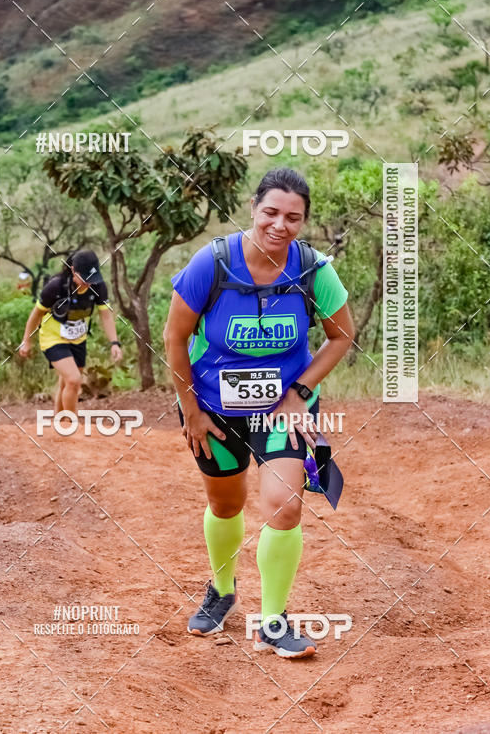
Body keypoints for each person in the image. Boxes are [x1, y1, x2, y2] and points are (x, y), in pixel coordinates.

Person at [163, 168, 354, 659]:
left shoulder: (313, 270)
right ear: (253, 208)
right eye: (270, 212)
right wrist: (191, 411)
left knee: (285, 506)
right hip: (213, 411)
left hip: (282, 411)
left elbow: (341, 336)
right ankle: (222, 590)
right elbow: (174, 338)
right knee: (226, 505)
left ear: (303, 221)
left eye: (293, 217)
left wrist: (300, 392)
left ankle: (272, 621)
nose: (279, 225)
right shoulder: (212, 264)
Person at [19, 250, 122, 413]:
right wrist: (26, 340)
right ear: (73, 270)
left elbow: (106, 316)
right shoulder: (56, 286)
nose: (89, 283)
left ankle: (59, 421)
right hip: (53, 338)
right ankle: (71, 421)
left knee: (67, 383)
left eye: (92, 278)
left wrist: (114, 343)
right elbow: (36, 314)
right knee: (74, 380)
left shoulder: (98, 286)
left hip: (78, 339)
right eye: (85, 278)